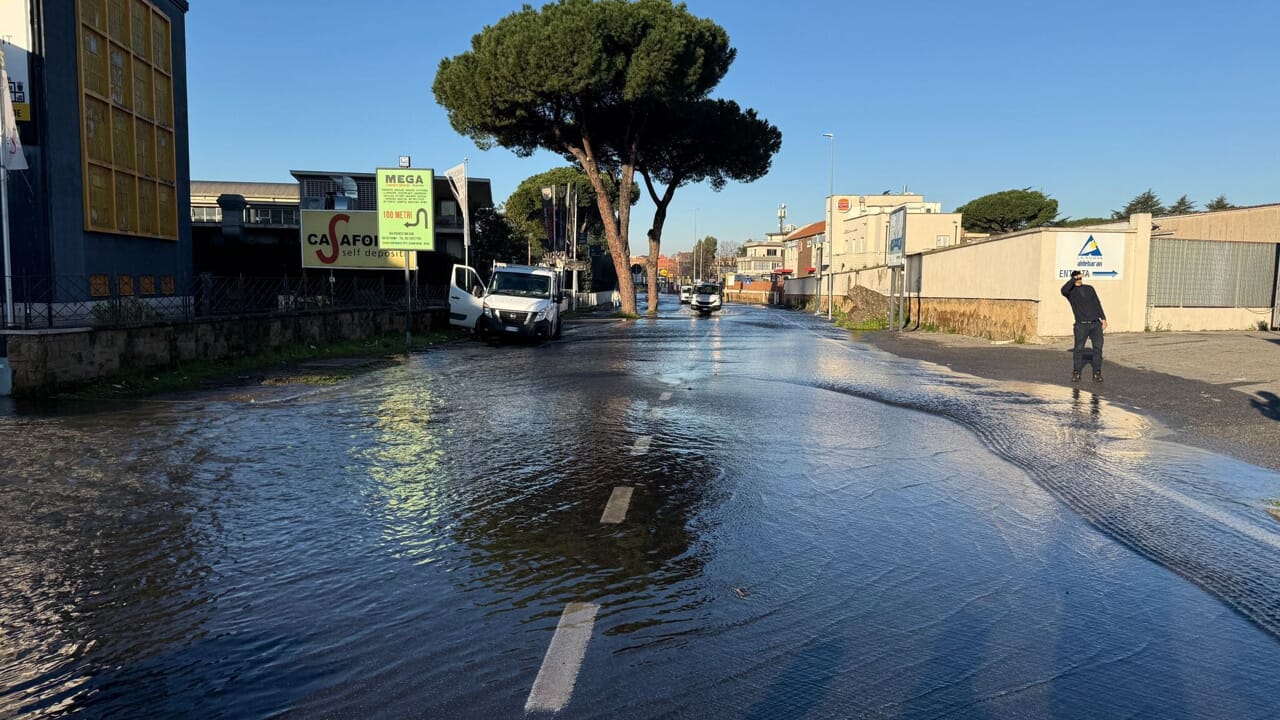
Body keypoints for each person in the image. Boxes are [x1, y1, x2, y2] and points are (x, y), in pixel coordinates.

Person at [1061, 270, 1107, 382]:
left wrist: (1103, 318)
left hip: (1095, 324)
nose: (1079, 281)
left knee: (1098, 349)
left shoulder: (1089, 288)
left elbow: (1097, 303)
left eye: (1080, 278)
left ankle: (1097, 373)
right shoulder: (1070, 292)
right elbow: (1063, 290)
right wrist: (1073, 279)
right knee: (1079, 349)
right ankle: (1076, 373)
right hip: (1081, 325)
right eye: (1077, 279)